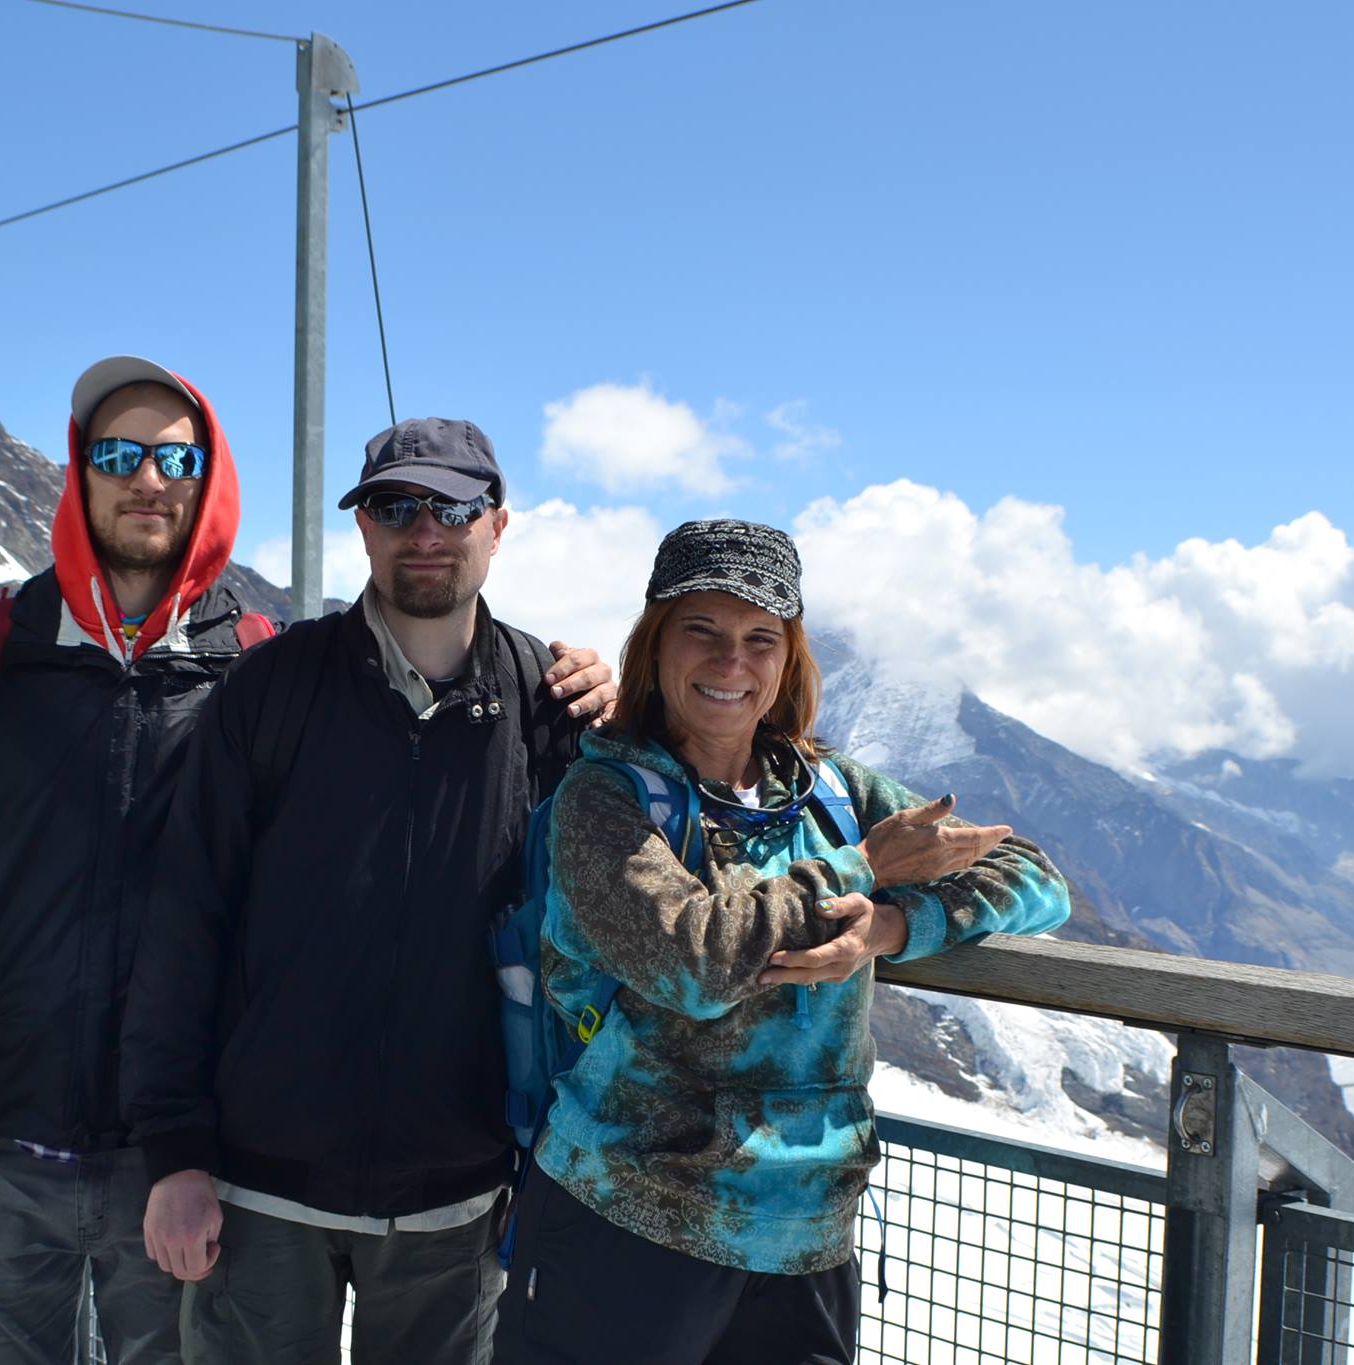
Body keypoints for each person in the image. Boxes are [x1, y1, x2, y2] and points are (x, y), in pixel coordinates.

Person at [491, 519, 1072, 1365]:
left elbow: (1033, 873)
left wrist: (894, 926)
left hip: (806, 1234)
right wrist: (866, 864)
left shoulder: (830, 789)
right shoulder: (606, 798)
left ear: (788, 660)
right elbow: (695, 960)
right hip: (625, 1217)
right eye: (705, 630)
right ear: (655, 644)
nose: (733, 662)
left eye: (761, 638)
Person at [122, 417, 617, 1365]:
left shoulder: (551, 707)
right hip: (260, 1190)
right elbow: (183, 920)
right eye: (396, 507)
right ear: (364, 528)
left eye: (453, 506)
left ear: (498, 523)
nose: (424, 529)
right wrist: (175, 1152)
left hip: (460, 1191)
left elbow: (625, 904)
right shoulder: (272, 688)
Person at [0, 356, 248, 1363]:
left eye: (174, 456)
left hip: (177, 1159)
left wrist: (566, 689)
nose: (147, 479)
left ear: (207, 479)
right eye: (118, 455)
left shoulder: (256, 666)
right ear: (80, 472)